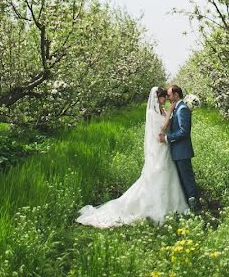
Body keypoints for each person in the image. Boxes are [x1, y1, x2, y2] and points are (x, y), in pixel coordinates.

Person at [75, 86, 189, 227]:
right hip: (159, 148)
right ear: (157, 98)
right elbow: (162, 129)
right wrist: (170, 113)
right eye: (163, 96)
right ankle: (153, 208)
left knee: (168, 175)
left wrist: (170, 113)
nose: (165, 98)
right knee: (157, 174)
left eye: (166, 96)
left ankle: (173, 206)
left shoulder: (163, 110)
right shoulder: (151, 113)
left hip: (165, 148)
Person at [158, 84, 199, 212]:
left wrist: (166, 138)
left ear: (176, 95)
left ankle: (194, 207)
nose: (168, 98)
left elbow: (184, 131)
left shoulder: (182, 109)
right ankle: (188, 206)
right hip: (177, 152)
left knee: (187, 180)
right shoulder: (176, 108)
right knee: (182, 180)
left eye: (169, 95)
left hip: (182, 152)